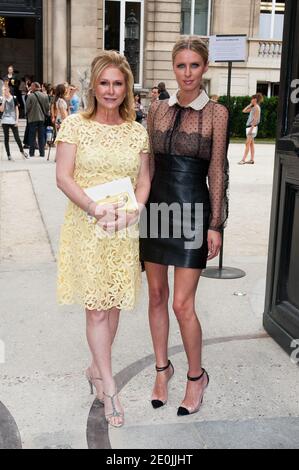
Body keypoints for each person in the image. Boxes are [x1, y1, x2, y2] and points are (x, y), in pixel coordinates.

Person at [55, 51, 150, 428]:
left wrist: (137, 208)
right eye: (104, 82)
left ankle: (96, 368)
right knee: (96, 307)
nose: (111, 90)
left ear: (126, 87)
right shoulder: (75, 126)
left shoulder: (136, 131)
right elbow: (64, 177)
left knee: (111, 307)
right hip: (87, 227)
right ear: (94, 86)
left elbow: (144, 180)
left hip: (122, 228)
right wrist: (95, 209)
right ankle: (109, 387)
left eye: (118, 83)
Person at [140, 36, 229, 416]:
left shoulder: (217, 113)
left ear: (204, 67)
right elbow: (146, 164)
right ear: (173, 68)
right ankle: (163, 370)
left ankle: (197, 377)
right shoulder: (157, 109)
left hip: (193, 209)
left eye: (194, 65)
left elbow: (217, 169)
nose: (188, 73)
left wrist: (216, 223)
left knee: (182, 304)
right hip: (156, 209)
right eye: (181, 65)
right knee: (157, 296)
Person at [0, 84, 28, 160]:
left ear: (8, 89)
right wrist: (3, 101)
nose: (4, 91)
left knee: (17, 137)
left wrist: (17, 120)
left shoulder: (14, 98)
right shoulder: (2, 98)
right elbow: (1, 110)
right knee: (6, 138)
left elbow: (17, 110)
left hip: (13, 120)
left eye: (5, 89)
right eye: (3, 90)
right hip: (5, 120)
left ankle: (22, 152)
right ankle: (9, 155)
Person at [26, 82, 50, 158]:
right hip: (42, 119)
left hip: (32, 118)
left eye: (31, 86)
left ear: (34, 87)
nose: (30, 87)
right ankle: (42, 153)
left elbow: (27, 107)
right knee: (41, 136)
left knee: (32, 136)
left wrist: (28, 114)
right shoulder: (45, 96)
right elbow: (47, 108)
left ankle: (31, 153)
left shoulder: (30, 96)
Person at [238, 93, 263, 165]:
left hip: (252, 127)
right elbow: (244, 111)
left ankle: (243, 160)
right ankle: (251, 160)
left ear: (255, 99)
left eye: (252, 99)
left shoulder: (256, 108)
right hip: (250, 127)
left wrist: (251, 129)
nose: (251, 100)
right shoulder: (254, 107)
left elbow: (256, 119)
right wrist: (250, 104)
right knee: (251, 144)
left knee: (247, 144)